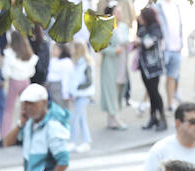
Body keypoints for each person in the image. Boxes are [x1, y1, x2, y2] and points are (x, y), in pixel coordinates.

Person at [98, 2, 131, 130]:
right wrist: (113, 51)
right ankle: (116, 118)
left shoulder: (123, 27)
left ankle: (111, 119)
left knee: (119, 89)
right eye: (117, 12)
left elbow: (126, 42)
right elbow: (101, 47)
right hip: (110, 64)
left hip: (122, 62)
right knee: (111, 90)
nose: (120, 14)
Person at [1, 29, 38, 138]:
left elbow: (6, 72)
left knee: (9, 110)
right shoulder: (28, 53)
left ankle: (5, 136)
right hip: (26, 81)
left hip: (14, 81)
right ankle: (26, 134)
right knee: (25, 110)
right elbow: (32, 72)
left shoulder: (9, 54)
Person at [136, 7, 167, 131]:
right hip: (144, 67)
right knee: (151, 93)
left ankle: (163, 119)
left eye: (141, 17)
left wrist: (141, 39)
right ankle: (153, 118)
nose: (140, 19)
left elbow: (149, 43)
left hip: (154, 67)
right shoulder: (143, 28)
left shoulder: (156, 28)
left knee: (155, 93)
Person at [68, 42, 95, 152]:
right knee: (82, 119)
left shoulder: (85, 64)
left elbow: (89, 81)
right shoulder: (78, 63)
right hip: (79, 95)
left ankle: (73, 141)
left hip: (83, 95)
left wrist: (77, 88)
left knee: (75, 118)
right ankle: (86, 141)